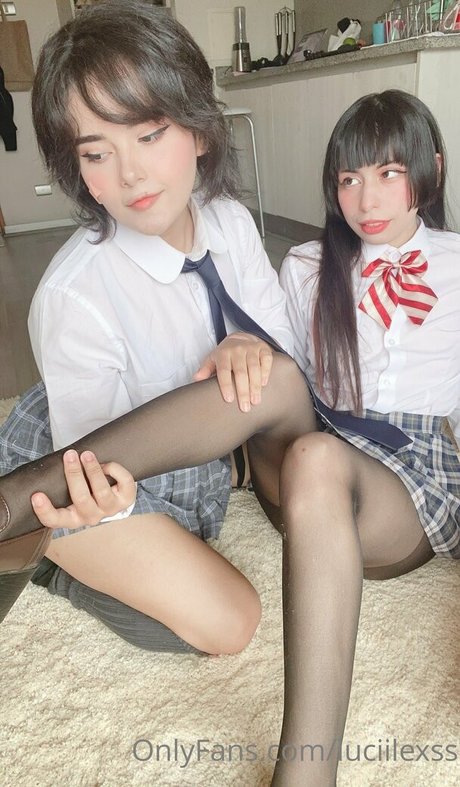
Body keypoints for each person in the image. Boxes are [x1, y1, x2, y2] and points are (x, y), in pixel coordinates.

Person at [1, 82, 459, 782]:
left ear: (431, 167)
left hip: (404, 475)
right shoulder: (308, 265)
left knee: (312, 454)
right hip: (304, 451)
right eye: (348, 179)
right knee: (285, 395)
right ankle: (23, 494)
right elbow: (288, 377)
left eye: (390, 174)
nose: (367, 199)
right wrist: (249, 352)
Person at [0, 0, 316, 657]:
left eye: (149, 134)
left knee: (292, 412)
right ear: (79, 171)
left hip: (199, 456)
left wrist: (249, 343)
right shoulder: (73, 295)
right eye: (97, 153)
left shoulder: (229, 222)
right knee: (230, 622)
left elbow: (287, 361)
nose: (131, 174)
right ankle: (47, 554)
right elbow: (96, 471)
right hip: (86, 467)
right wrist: (98, 515)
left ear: (199, 129)